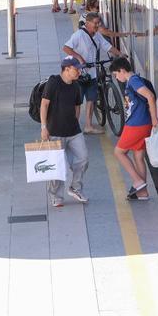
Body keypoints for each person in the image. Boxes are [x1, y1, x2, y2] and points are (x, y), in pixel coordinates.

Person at [40, 56, 89, 207]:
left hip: (74, 131)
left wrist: (74, 120)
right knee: (57, 166)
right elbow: (44, 105)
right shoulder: (53, 82)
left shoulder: (76, 86)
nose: (79, 72)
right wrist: (44, 127)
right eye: (76, 69)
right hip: (55, 132)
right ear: (66, 69)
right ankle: (56, 196)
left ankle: (75, 187)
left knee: (83, 158)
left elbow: (77, 106)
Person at [63, 12, 123, 134]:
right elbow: (66, 48)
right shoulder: (79, 35)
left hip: (92, 73)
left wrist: (120, 54)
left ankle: (88, 126)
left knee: (91, 100)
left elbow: (108, 47)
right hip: (79, 74)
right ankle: (73, 127)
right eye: (95, 23)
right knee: (77, 102)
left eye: (98, 23)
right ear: (87, 23)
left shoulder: (98, 36)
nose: (97, 25)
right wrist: (79, 57)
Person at [110, 57, 158, 201]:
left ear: (122, 70)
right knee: (138, 156)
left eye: (116, 74)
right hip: (143, 122)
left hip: (137, 124)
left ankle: (138, 182)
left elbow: (149, 96)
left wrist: (154, 118)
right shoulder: (134, 80)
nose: (116, 77)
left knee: (118, 152)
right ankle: (142, 193)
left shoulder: (133, 81)